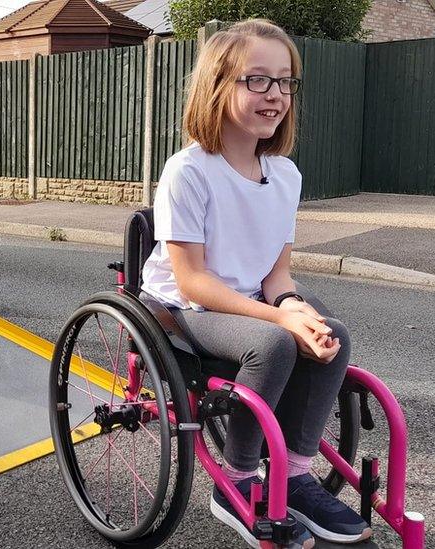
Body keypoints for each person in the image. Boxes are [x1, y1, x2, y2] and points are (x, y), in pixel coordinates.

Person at [140, 19, 372, 548]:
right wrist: (279, 318)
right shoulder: (189, 171)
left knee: (331, 338)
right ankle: (239, 479)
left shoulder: (285, 175)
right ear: (219, 85)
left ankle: (292, 473)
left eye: (286, 81)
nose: (276, 95)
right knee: (273, 343)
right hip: (183, 308)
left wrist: (293, 306)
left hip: (244, 299)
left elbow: (276, 272)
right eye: (258, 80)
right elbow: (194, 281)